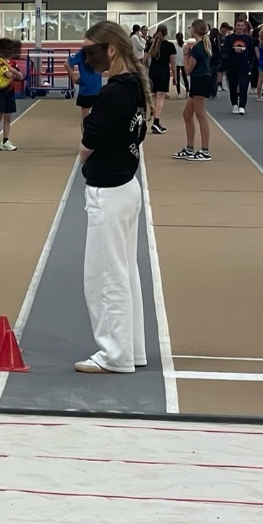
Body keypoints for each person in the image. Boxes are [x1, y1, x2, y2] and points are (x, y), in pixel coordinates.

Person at [74, 20, 149, 376]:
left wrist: (84, 155)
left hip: (110, 191)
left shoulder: (114, 93)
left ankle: (114, 354)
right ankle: (131, 348)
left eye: (91, 52)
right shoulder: (133, 87)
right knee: (124, 272)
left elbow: (89, 139)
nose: (87, 60)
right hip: (126, 187)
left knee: (104, 277)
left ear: (111, 50)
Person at [175, 19, 214, 161]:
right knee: (187, 114)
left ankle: (205, 150)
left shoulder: (197, 48)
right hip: (200, 80)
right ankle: (190, 148)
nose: (189, 29)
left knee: (200, 114)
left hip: (200, 80)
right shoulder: (203, 45)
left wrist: (186, 54)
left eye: (190, 27)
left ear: (194, 30)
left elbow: (188, 70)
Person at [0, 38, 24, 151]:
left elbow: (20, 77)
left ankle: (5, 141)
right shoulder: (0, 62)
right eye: (8, 49)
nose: (10, 51)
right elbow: (8, 75)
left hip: (10, 92)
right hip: (1, 92)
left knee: (8, 117)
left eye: (11, 49)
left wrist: (13, 70)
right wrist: (13, 71)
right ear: (1, 50)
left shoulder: (12, 63)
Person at [144, 25, 176, 134]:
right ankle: (156, 122)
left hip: (153, 72)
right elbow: (173, 63)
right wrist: (175, 77)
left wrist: (148, 68)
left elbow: (144, 60)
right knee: (160, 98)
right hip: (163, 72)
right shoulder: (170, 46)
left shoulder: (150, 44)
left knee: (155, 97)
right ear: (166, 33)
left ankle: (155, 121)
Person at [221, 16, 256, 114]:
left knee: (244, 86)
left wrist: (251, 64)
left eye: (242, 25)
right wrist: (233, 50)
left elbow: (252, 53)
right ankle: (234, 104)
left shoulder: (248, 39)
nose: (240, 27)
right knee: (233, 85)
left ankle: (242, 106)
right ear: (235, 26)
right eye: (238, 25)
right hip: (232, 66)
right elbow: (224, 51)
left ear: (245, 26)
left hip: (244, 66)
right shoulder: (229, 38)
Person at [66, 42, 104, 131]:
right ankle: (85, 136)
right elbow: (67, 64)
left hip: (98, 89)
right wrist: (73, 76)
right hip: (86, 90)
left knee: (97, 115)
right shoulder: (82, 53)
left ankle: (95, 134)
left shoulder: (100, 52)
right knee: (85, 116)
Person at [173, 31, 189, 96]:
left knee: (179, 78)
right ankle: (186, 92)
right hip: (181, 62)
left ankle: (179, 93)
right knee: (184, 78)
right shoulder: (183, 45)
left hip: (180, 62)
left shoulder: (182, 45)